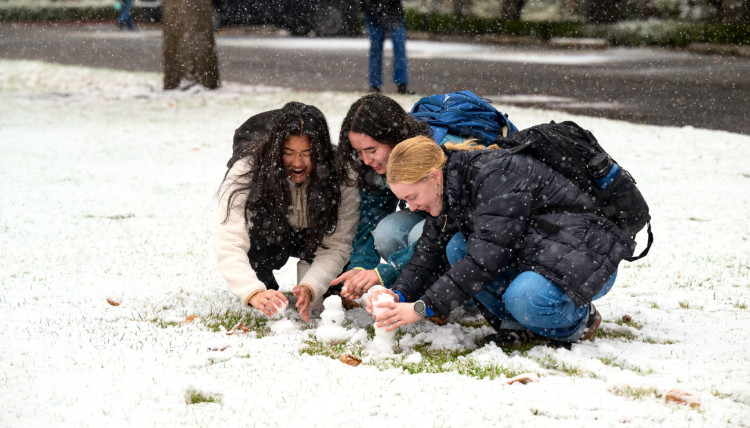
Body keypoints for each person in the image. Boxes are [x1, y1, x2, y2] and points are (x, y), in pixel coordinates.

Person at [365, 136, 637, 345]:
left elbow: (485, 259)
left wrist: (423, 307)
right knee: (456, 246)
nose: (411, 208)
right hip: (542, 252)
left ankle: (578, 321)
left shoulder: (495, 178)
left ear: (434, 176)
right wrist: (397, 293)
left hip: (587, 258)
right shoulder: (450, 188)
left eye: (413, 197)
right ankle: (517, 326)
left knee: (527, 299)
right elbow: (427, 254)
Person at [213, 102, 359, 322]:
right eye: (288, 153)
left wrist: (312, 286)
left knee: (325, 292)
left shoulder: (341, 172)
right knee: (256, 269)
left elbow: (338, 243)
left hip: (316, 237)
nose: (297, 163)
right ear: (275, 151)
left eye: (307, 154)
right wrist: (253, 291)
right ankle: (266, 289)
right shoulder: (247, 168)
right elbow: (229, 241)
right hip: (269, 237)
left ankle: (320, 286)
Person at [332, 93, 459, 301]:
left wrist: (387, 271)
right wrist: (361, 268)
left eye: (371, 150)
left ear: (392, 138)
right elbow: (369, 221)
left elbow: (449, 225)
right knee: (387, 231)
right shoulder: (374, 168)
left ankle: (448, 296)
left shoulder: (436, 152)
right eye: (358, 152)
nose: (365, 160)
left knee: (419, 233)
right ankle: (419, 288)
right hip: (434, 223)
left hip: (460, 230)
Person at [360, 0, 414, 94]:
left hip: (393, 15)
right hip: (376, 15)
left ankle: (400, 85)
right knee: (378, 52)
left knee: (398, 52)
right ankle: (375, 85)